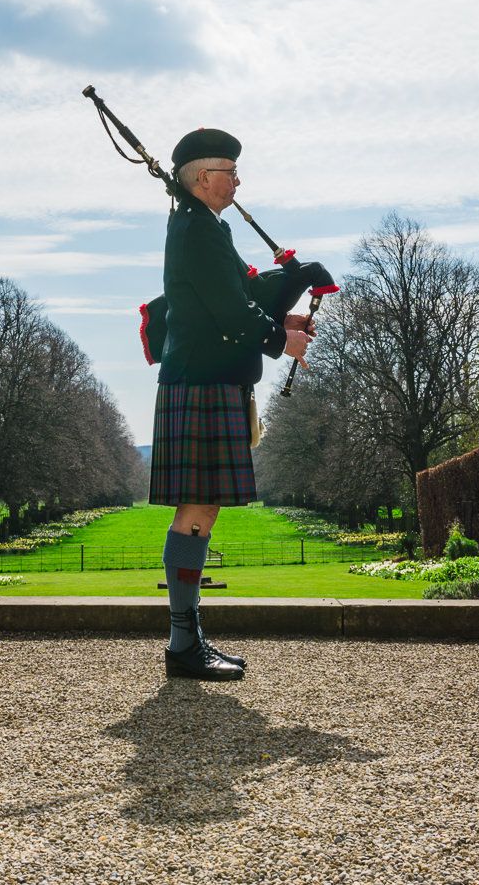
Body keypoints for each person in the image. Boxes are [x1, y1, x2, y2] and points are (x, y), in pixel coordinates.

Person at [151, 127, 313, 680]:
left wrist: (282, 317)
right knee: (197, 507)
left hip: (207, 380)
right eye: (231, 171)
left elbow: (237, 297)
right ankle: (182, 645)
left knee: (204, 508)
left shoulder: (202, 226)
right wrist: (280, 340)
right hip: (200, 382)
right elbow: (228, 311)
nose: (238, 180)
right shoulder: (196, 230)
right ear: (202, 177)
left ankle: (186, 638)